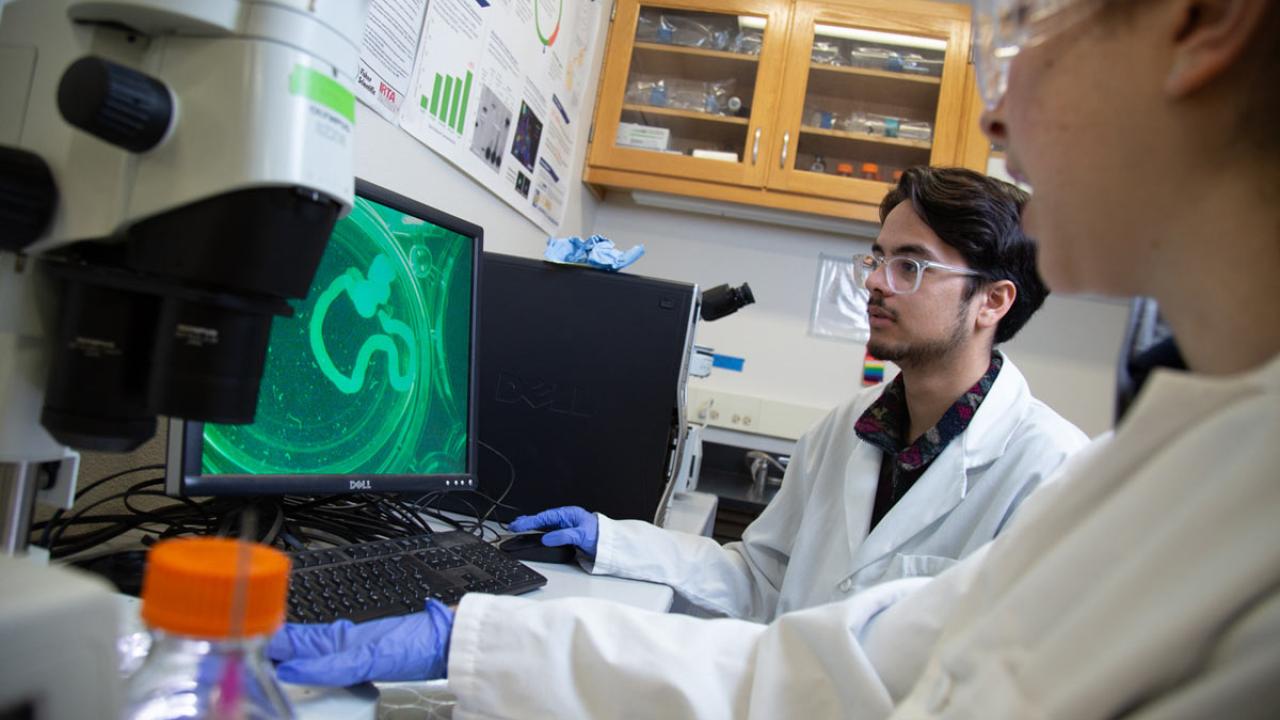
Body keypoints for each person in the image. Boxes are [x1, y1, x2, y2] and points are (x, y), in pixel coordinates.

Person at [269, 0, 1280, 716]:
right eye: (876, 258)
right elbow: (798, 624)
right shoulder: (875, 433)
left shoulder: (1064, 474)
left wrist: (474, 641)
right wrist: (599, 551)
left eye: (1025, 26)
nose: (997, 113)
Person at [504, 166, 1087, 622]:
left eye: (910, 266)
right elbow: (760, 578)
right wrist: (612, 540)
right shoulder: (849, 428)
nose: (875, 281)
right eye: (879, 258)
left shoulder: (1050, 471)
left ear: (993, 301)